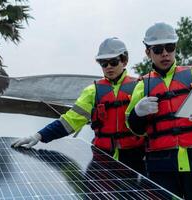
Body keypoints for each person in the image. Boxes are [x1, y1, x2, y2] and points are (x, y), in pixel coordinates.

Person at [125, 22, 192, 200]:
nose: (165, 53)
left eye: (170, 47)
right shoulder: (141, 85)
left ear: (175, 48)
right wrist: (137, 113)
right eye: (157, 49)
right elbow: (133, 127)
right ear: (148, 52)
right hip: (161, 166)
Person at [12, 37, 146, 174]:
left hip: (135, 159)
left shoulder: (139, 87)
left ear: (124, 61)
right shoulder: (92, 91)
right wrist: (38, 136)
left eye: (113, 62)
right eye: (103, 63)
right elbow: (69, 121)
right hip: (102, 158)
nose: (108, 67)